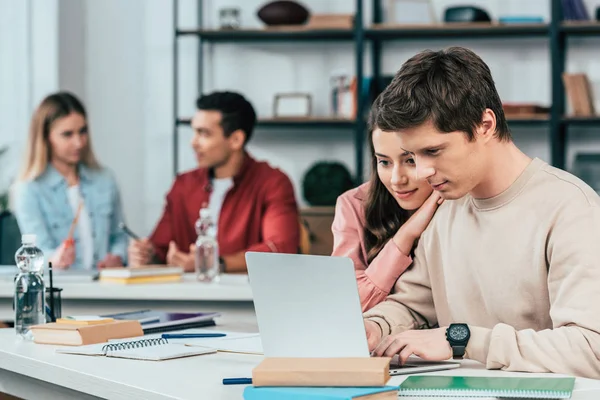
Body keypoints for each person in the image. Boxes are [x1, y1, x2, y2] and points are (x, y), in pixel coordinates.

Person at [363, 47, 600, 379]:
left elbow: (591, 351)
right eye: (413, 155)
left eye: (433, 151)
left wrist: (465, 340)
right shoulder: (446, 204)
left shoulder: (572, 209)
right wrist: (376, 326)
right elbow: (413, 304)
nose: (421, 172)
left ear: (485, 125)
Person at [128, 91, 299, 273]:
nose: (193, 143)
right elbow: (161, 248)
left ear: (235, 140)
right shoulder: (183, 185)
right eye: (194, 132)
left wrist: (214, 263)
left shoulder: (273, 183)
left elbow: (280, 249)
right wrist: (147, 254)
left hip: (246, 297)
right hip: (188, 296)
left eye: (204, 134)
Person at [331, 104, 443, 312]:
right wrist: (406, 235)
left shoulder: (456, 201)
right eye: (384, 162)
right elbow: (346, 305)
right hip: (375, 339)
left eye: (410, 161)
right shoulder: (353, 205)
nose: (396, 179)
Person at [13, 92, 128, 270]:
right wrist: (53, 259)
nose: (79, 143)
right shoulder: (29, 189)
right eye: (67, 134)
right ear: (45, 138)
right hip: (62, 290)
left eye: (82, 131)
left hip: (106, 288)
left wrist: (118, 257)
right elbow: (37, 252)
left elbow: (120, 237)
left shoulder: (105, 179)